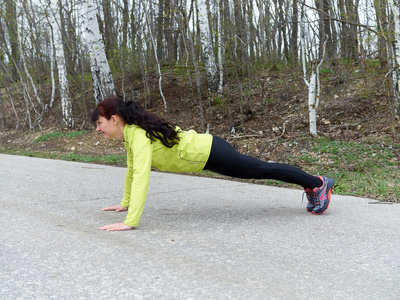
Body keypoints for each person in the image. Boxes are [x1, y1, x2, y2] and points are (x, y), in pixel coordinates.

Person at [91, 98, 334, 231]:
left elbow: (142, 176)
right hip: (205, 157)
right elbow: (133, 171)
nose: (98, 128)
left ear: (114, 119)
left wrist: (130, 222)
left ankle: (317, 184)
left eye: (100, 123)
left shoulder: (138, 135)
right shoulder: (130, 136)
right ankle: (315, 184)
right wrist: (125, 203)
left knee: (261, 169)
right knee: (257, 170)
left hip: (209, 151)